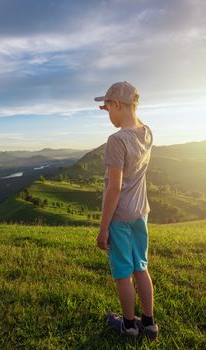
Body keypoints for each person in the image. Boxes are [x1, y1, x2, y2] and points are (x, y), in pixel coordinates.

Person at [94, 81, 159, 341]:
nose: (107, 113)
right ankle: (150, 323)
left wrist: (103, 228)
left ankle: (129, 327)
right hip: (141, 213)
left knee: (123, 273)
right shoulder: (147, 132)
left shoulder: (116, 140)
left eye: (108, 107)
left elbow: (114, 188)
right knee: (141, 267)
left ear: (117, 105)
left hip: (120, 217)